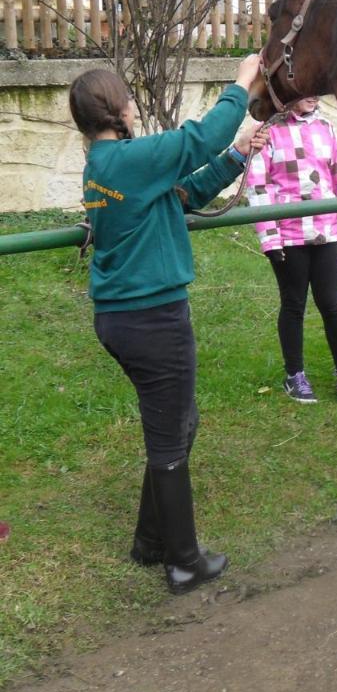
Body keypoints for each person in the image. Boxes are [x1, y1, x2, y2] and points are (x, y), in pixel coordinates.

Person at [69, 54, 266, 595]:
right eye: (128, 97)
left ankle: (150, 541)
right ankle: (183, 562)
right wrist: (242, 83)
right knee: (170, 437)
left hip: (124, 319)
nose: (135, 104)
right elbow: (195, 140)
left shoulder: (106, 167)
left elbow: (180, 198)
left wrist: (236, 157)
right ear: (115, 109)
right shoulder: (125, 160)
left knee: (179, 425)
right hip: (152, 320)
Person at [245, 96, 337, 404]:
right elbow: (259, 187)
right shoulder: (267, 132)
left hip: (327, 233)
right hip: (289, 236)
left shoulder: (327, 128)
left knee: (331, 303)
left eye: (316, 90)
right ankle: (294, 375)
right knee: (293, 304)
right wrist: (270, 240)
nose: (312, 95)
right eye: (304, 90)